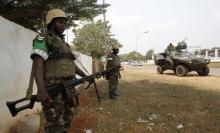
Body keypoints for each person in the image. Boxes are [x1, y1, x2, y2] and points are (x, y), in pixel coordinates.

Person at [30, 9, 87, 133]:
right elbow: (38, 64)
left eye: (64, 23)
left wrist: (85, 76)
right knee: (55, 124)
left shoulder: (65, 45)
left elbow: (72, 65)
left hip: (68, 88)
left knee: (67, 119)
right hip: (54, 89)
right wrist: (41, 89)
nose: (63, 25)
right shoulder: (42, 38)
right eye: (60, 22)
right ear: (51, 22)